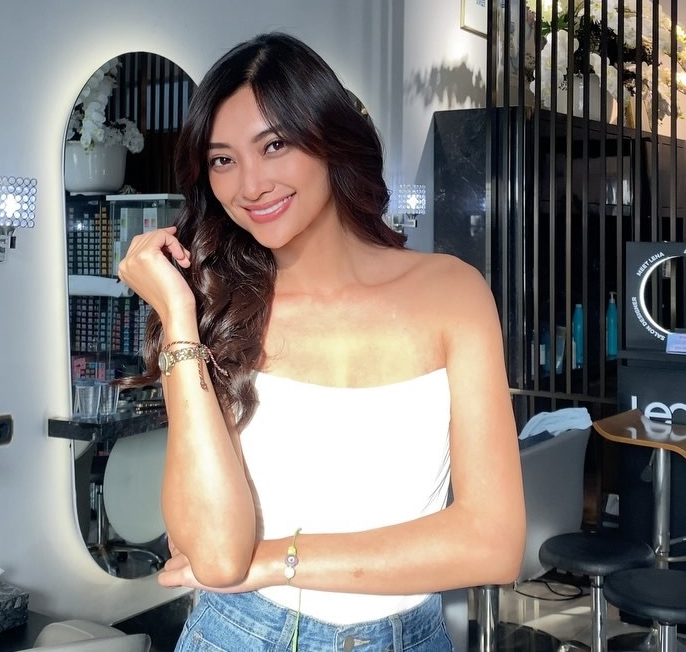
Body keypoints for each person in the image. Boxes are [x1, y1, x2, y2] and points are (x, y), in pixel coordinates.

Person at [118, 32, 525, 652]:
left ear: (328, 137)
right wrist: (177, 317)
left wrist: (277, 559)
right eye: (223, 160)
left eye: (273, 145)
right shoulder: (216, 312)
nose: (250, 185)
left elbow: (493, 543)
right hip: (239, 636)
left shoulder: (454, 292)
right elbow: (217, 557)